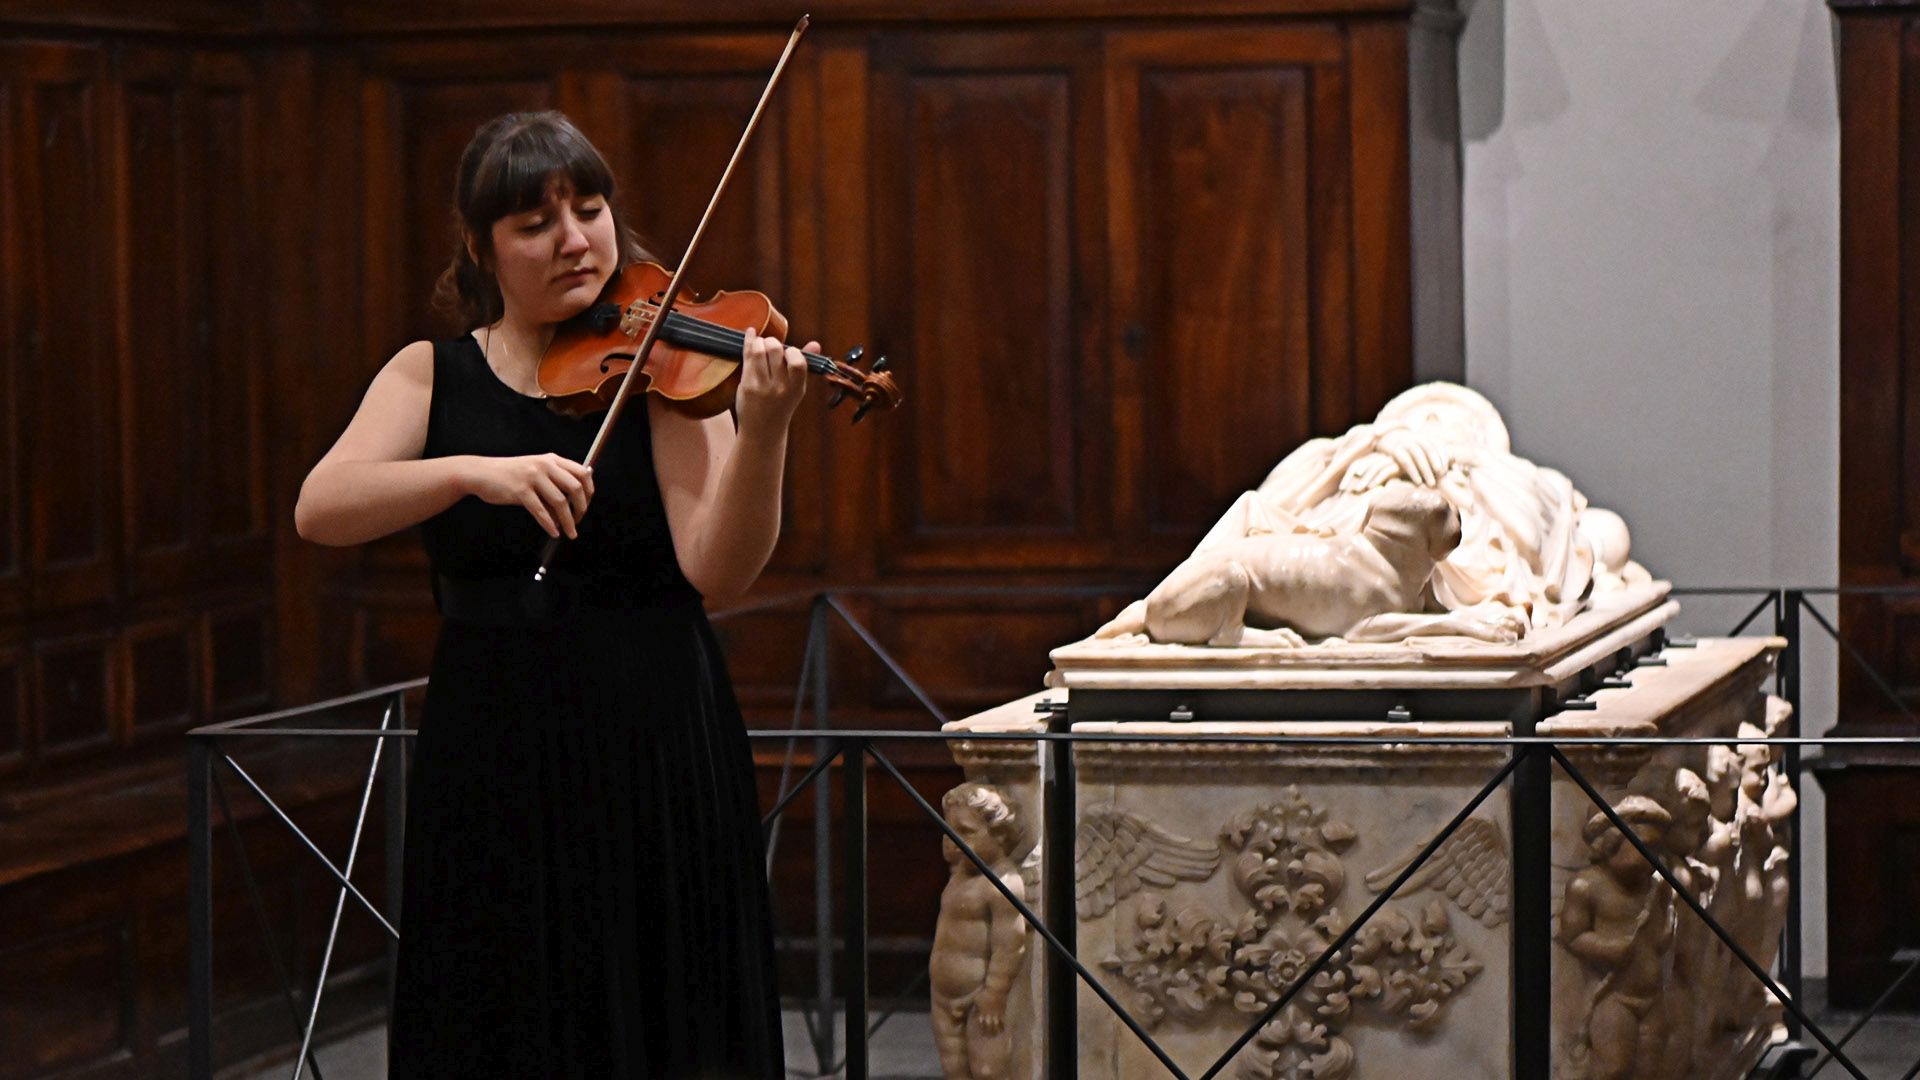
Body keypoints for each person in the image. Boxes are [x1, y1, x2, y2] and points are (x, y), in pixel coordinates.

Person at [294, 110, 803, 1078]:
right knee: (504, 999)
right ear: (481, 247)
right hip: (492, 733)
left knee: (663, 1001)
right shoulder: (429, 372)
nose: (575, 238)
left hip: (652, 724)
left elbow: (719, 570)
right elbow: (322, 507)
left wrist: (766, 431)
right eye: (534, 222)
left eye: (590, 208)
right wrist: (467, 472)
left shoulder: (664, 368)